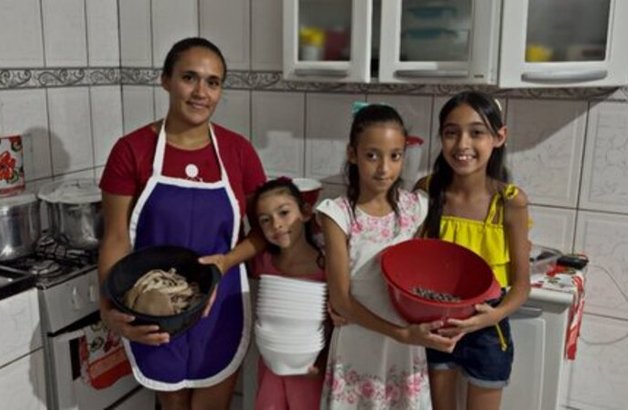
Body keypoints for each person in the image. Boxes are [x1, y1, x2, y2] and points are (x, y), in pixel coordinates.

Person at [97, 37, 266, 410]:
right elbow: (116, 238)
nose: (201, 92)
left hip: (221, 303)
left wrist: (225, 262)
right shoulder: (131, 150)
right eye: (189, 78)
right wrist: (109, 309)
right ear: (166, 80)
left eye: (213, 82)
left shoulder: (238, 152)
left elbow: (263, 233)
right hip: (153, 305)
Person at [316, 103, 460, 409]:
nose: (384, 168)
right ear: (352, 154)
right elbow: (341, 300)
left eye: (395, 156)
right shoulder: (338, 215)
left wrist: (415, 332)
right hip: (358, 343)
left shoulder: (415, 209)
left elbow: (420, 282)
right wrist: (402, 334)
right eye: (372, 155)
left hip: (404, 350)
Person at [415, 90, 531, 410]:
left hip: (488, 327)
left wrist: (492, 316)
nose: (462, 144)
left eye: (476, 132)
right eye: (451, 133)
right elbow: (411, 263)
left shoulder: (510, 202)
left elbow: (521, 286)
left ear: (499, 137)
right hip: (437, 323)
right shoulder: (427, 191)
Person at [250, 178, 328, 410]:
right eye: (266, 220)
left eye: (284, 213)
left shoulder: (326, 265)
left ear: (306, 213)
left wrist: (324, 361)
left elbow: (336, 320)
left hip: (311, 367)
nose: (276, 225)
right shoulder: (262, 262)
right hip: (271, 364)